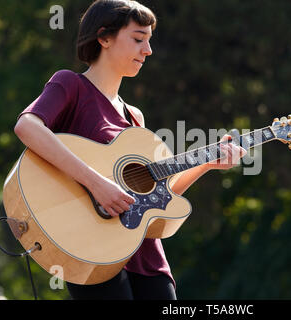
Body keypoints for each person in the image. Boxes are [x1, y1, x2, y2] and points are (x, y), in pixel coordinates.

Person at [13, 0, 246, 300]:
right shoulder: (70, 84)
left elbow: (160, 193)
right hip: (92, 248)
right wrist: (97, 184)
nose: (147, 51)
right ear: (104, 38)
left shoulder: (135, 117)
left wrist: (206, 164)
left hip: (147, 258)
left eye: (149, 41)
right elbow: (27, 127)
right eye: (138, 39)